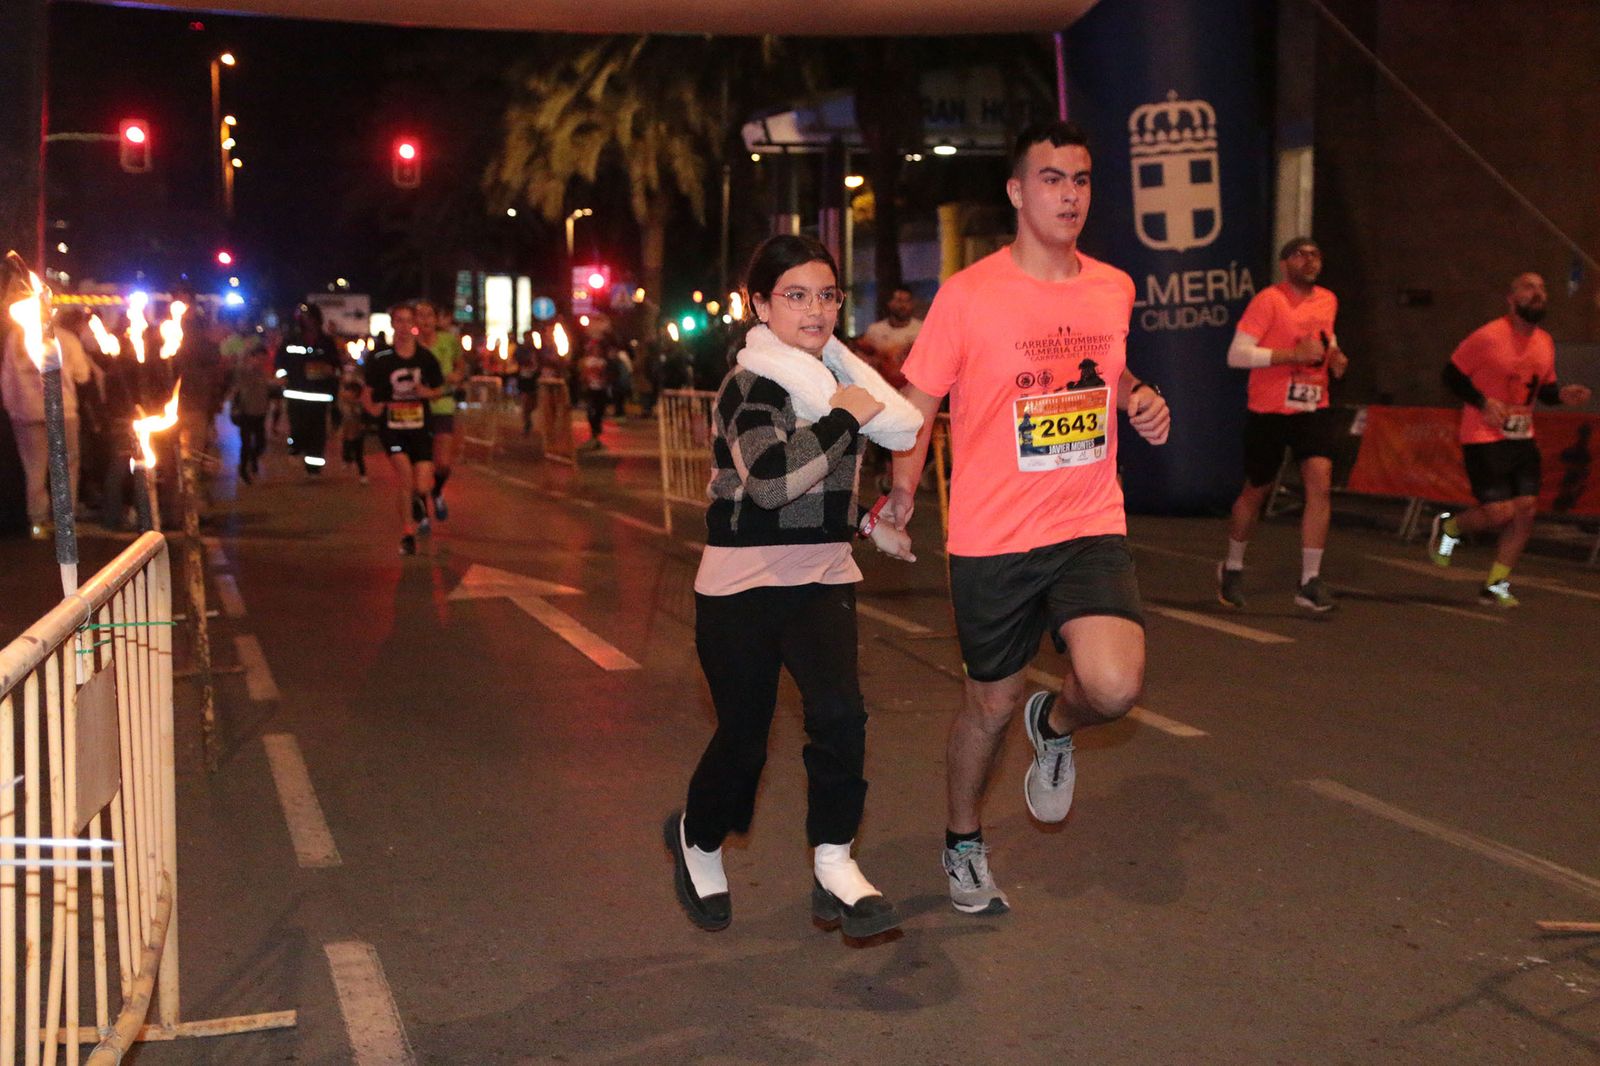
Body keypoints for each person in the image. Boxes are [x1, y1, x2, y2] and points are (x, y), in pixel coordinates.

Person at [886, 120, 1172, 916]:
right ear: (1017, 191)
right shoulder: (968, 295)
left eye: (1080, 179)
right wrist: (902, 490)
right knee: (989, 705)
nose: (1069, 194)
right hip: (994, 536)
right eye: (1051, 179)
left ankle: (1058, 720)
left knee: (1113, 686)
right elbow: (918, 404)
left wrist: (1139, 397)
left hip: (1087, 520)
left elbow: (1110, 372)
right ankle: (962, 840)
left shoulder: (1112, 287)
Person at [665, 234, 924, 940]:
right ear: (760, 305)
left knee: (840, 718)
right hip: (740, 589)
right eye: (796, 295)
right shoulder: (750, 386)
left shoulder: (839, 378)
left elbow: (823, 486)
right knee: (744, 742)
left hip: (821, 578)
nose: (815, 310)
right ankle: (697, 835)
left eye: (827, 295)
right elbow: (773, 482)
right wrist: (844, 417)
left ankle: (835, 861)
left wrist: (867, 524)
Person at [1427, 272, 1592, 606]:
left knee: (1526, 510)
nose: (1538, 293)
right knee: (1499, 513)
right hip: (1483, 436)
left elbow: (1543, 390)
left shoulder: (1544, 342)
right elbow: (1451, 375)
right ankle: (1450, 528)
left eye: (1542, 288)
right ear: (1511, 299)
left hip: (1522, 437)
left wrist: (1563, 395)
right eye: (1529, 288)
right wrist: (1483, 402)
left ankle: (1495, 585)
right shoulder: (1488, 336)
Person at [1215, 237, 1349, 613]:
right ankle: (1232, 567)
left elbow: (1325, 338)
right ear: (1285, 263)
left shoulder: (1329, 300)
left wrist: (1335, 355)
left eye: (1315, 254)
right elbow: (1236, 355)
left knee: (1320, 484)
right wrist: (1291, 355)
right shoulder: (1269, 301)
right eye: (1300, 255)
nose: (1309, 260)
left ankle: (1309, 581)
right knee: (1256, 490)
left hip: (1313, 406)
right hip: (1270, 409)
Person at [1, 305, 94, 538]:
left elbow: (7, 378)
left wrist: (12, 408)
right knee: (66, 466)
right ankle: (65, 521)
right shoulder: (66, 339)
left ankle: (37, 522)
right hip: (63, 411)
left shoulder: (15, 340)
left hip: (26, 412)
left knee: (34, 469)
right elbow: (82, 374)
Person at [362, 303, 444, 555]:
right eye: (399, 320)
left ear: (414, 325)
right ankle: (407, 534)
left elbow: (439, 388)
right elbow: (367, 392)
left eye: (409, 321)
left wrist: (427, 393)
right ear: (392, 324)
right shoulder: (381, 358)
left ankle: (420, 501)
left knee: (422, 485)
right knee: (405, 478)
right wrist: (373, 410)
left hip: (420, 427)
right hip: (393, 428)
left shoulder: (425, 358)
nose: (404, 326)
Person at [414, 300, 465, 519]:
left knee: (443, 464)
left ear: (436, 319)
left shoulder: (448, 340)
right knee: (421, 463)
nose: (425, 320)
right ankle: (422, 510)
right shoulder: (411, 345)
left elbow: (460, 366)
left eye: (429, 315)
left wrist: (457, 375)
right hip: (417, 408)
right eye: (420, 315)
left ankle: (436, 492)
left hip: (443, 404)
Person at [275, 304, 340, 474]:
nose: (308, 322)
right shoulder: (291, 340)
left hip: (319, 395)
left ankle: (314, 465)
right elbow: (280, 361)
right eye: (304, 318)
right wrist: (282, 376)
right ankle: (296, 448)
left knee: (318, 430)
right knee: (298, 426)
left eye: (310, 318)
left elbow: (336, 365)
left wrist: (330, 370)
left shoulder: (326, 342)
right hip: (296, 392)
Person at [857, 285, 920, 391]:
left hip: (911, 390)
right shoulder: (875, 330)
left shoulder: (921, 330)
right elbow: (864, 360)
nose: (903, 305)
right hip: (881, 390)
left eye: (907, 301)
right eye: (899, 301)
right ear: (890, 303)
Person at [228, 348, 273, 483]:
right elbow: (235, 380)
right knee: (246, 443)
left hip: (260, 413)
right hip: (245, 413)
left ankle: (253, 458)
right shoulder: (243, 372)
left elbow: (268, 389)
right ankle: (243, 470)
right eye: (258, 358)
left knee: (261, 443)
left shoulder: (264, 374)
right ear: (251, 358)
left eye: (263, 359)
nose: (261, 361)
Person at [576, 337, 610, 448]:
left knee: (599, 411)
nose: (597, 351)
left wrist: (604, 383)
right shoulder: (586, 361)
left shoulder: (603, 362)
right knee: (591, 412)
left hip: (600, 390)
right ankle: (593, 433)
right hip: (590, 390)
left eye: (598, 349)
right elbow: (582, 376)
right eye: (595, 349)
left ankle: (596, 433)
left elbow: (605, 376)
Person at [337, 365, 369, 483]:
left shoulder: (360, 405)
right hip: (347, 429)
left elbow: (365, 416)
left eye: (351, 392)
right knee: (346, 446)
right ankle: (347, 460)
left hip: (358, 431)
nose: (348, 394)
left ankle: (363, 474)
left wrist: (364, 425)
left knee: (358, 453)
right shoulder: (343, 404)